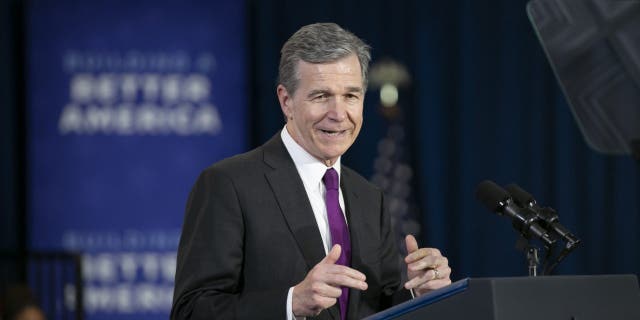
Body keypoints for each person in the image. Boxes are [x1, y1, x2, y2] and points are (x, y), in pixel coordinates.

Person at [171, 22, 451, 320]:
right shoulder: (229, 185)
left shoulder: (369, 197)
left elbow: (375, 306)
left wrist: (417, 292)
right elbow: (192, 311)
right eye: (321, 96)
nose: (339, 113)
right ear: (286, 101)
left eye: (351, 96)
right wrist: (291, 303)